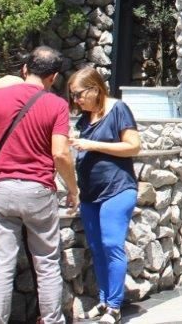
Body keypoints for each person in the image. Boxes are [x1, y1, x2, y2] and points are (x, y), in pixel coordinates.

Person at [0, 46, 78, 324]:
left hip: (1, 188)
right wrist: (73, 189)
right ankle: (51, 320)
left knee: (1, 266)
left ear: (25, 68)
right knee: (47, 264)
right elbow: (60, 153)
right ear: (54, 76)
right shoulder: (57, 105)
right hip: (38, 190)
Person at [68, 68, 142, 324]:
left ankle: (115, 306)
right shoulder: (85, 117)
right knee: (97, 249)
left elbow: (133, 146)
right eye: (72, 96)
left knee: (111, 245)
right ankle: (104, 300)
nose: (76, 100)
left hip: (117, 189)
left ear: (95, 89)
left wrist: (93, 145)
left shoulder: (118, 109)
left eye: (79, 94)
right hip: (90, 193)